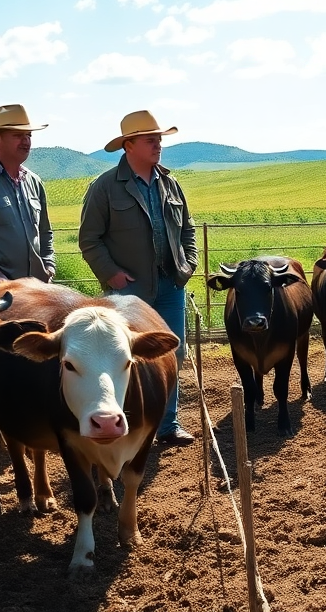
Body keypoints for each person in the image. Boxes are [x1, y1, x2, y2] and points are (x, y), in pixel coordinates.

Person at [78, 110, 199, 447]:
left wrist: (187, 264)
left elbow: (187, 230)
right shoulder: (104, 187)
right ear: (128, 145)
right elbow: (89, 239)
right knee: (122, 357)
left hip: (171, 285)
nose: (158, 144)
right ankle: (125, 421)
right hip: (128, 292)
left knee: (173, 352)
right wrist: (111, 275)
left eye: (159, 138)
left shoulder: (170, 184)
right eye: (151, 139)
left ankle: (167, 425)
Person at [0, 104, 56, 291]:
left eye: (28, 135)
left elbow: (45, 232)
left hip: (36, 291)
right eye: (18, 135)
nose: (26, 141)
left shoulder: (34, 182)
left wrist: (49, 265)